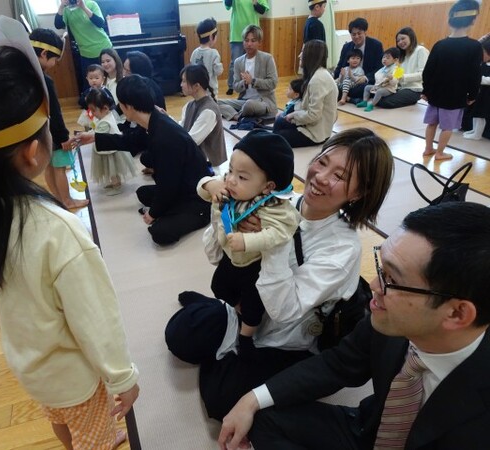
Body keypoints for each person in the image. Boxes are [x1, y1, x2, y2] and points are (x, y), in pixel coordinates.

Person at [0, 17, 138, 449]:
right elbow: (97, 320)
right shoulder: (59, 233)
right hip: (74, 378)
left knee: (59, 421)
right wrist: (124, 378)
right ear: (32, 152)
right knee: (96, 436)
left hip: (31, 370)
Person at [218, 202, 490, 450]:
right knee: (260, 417)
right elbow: (337, 364)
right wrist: (252, 399)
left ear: (457, 313)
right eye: (381, 269)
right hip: (369, 430)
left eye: (392, 279)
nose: (373, 285)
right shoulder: (387, 320)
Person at [165, 128, 394, 421]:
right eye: (322, 162)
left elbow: (284, 311)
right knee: (180, 335)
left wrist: (272, 240)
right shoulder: (280, 201)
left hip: (286, 336)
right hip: (248, 306)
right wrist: (223, 211)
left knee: (221, 399)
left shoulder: (341, 249)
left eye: (340, 176)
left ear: (359, 193)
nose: (321, 177)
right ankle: (226, 337)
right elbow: (217, 256)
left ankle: (231, 349)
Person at [70, 75, 212, 246]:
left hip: (196, 196)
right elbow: (131, 142)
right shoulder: (153, 120)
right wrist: (94, 137)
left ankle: (192, 215)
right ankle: (170, 209)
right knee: (143, 193)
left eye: (121, 104)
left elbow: (168, 184)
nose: (119, 108)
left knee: (159, 233)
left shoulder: (164, 136)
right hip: (181, 185)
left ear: (129, 106)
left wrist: (153, 213)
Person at [202, 130, 299, 357]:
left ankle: (246, 336)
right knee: (218, 287)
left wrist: (248, 240)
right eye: (230, 171)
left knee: (253, 307)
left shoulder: (274, 206)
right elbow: (202, 186)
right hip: (230, 258)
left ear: (268, 187)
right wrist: (210, 185)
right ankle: (239, 310)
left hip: (253, 266)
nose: (231, 179)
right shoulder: (230, 188)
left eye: (242, 177)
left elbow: (281, 233)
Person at [30, 28, 89, 210]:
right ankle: (67, 200)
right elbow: (54, 112)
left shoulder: (27, 74)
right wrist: (63, 137)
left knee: (49, 166)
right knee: (60, 167)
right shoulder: (44, 80)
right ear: (44, 53)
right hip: (53, 133)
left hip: (39, 132)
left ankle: (58, 199)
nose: (55, 64)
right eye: (55, 59)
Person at [422, 0, 482, 161]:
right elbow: (475, 75)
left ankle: (428, 148)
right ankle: (440, 153)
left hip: (435, 95)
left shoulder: (440, 45)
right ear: (473, 20)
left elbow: (428, 71)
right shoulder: (474, 47)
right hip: (455, 96)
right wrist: (472, 95)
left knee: (432, 123)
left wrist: (426, 91)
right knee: (448, 127)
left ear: (450, 20)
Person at [273, 39, 337, 148]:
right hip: (313, 125)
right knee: (279, 122)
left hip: (316, 133)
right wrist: (289, 114)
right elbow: (306, 106)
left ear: (310, 56)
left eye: (302, 52)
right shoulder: (317, 74)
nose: (299, 56)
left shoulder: (318, 79)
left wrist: (293, 115)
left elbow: (314, 115)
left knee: (277, 136)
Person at [218, 25, 278, 121]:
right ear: (243, 42)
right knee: (216, 102)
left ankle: (238, 114)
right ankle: (238, 117)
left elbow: (273, 83)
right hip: (244, 101)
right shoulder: (238, 62)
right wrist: (244, 83)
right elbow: (236, 87)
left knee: (249, 105)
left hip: (263, 102)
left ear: (259, 42)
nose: (249, 44)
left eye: (253, 41)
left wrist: (253, 81)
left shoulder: (267, 58)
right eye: (246, 40)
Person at [85, 87, 138, 193]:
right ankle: (115, 182)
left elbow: (98, 135)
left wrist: (87, 135)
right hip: (108, 149)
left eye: (94, 110)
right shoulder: (107, 115)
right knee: (111, 170)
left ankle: (116, 185)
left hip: (110, 152)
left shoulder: (105, 122)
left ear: (105, 108)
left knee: (111, 169)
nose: (92, 113)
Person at [54, 0, 112, 92]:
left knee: (108, 79)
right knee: (89, 83)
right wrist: (61, 6)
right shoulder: (66, 10)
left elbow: (100, 23)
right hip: (86, 53)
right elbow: (58, 25)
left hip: (103, 49)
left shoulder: (91, 4)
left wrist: (83, 7)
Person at [179, 64, 227, 173]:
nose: (181, 84)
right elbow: (181, 129)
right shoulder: (189, 105)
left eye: (184, 81)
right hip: (193, 159)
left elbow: (191, 141)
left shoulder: (208, 111)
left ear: (197, 86)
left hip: (208, 167)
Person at [224, 0, 270, 96]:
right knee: (234, 62)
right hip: (237, 33)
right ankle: (231, 86)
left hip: (253, 35)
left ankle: (253, 83)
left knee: (254, 61)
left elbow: (262, 10)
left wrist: (255, 3)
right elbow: (227, 5)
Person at [377, 27, 430, 109]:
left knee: (385, 102)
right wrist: (389, 79)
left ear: (411, 37)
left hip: (415, 89)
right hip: (401, 88)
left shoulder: (420, 50)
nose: (400, 42)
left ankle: (411, 99)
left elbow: (423, 74)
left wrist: (403, 77)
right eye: (398, 41)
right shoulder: (401, 55)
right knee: (377, 95)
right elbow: (398, 75)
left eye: (403, 38)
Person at [333, 17, 384, 102]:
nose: (356, 36)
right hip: (347, 81)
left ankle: (346, 96)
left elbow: (380, 68)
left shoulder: (376, 45)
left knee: (367, 88)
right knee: (332, 85)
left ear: (365, 32)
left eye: (359, 33)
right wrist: (335, 79)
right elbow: (340, 66)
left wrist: (366, 78)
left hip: (364, 82)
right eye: (353, 34)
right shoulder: (346, 47)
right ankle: (350, 97)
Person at [463, 33, 490, 140]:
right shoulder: (482, 64)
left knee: (480, 115)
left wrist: (479, 79)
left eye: (484, 53)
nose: (482, 55)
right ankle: (474, 130)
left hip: (486, 95)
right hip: (480, 92)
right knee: (475, 112)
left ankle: (477, 134)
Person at [356, 47, 400, 112]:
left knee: (379, 92)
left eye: (388, 58)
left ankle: (372, 105)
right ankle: (364, 101)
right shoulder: (383, 68)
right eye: (383, 57)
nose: (384, 59)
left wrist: (391, 78)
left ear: (395, 60)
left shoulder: (398, 69)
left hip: (390, 89)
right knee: (367, 87)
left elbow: (395, 83)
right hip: (380, 86)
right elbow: (377, 76)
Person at [190, 17, 224, 98]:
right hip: (210, 93)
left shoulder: (194, 52)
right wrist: (220, 66)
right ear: (211, 37)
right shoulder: (214, 53)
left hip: (197, 92)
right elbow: (218, 72)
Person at [77, 63, 107, 129]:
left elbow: (111, 102)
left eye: (97, 78)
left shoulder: (105, 91)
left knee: (101, 126)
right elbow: (80, 102)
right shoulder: (87, 91)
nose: (94, 80)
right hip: (89, 114)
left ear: (103, 79)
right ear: (87, 79)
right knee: (87, 126)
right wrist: (85, 100)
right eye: (90, 78)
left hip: (101, 114)